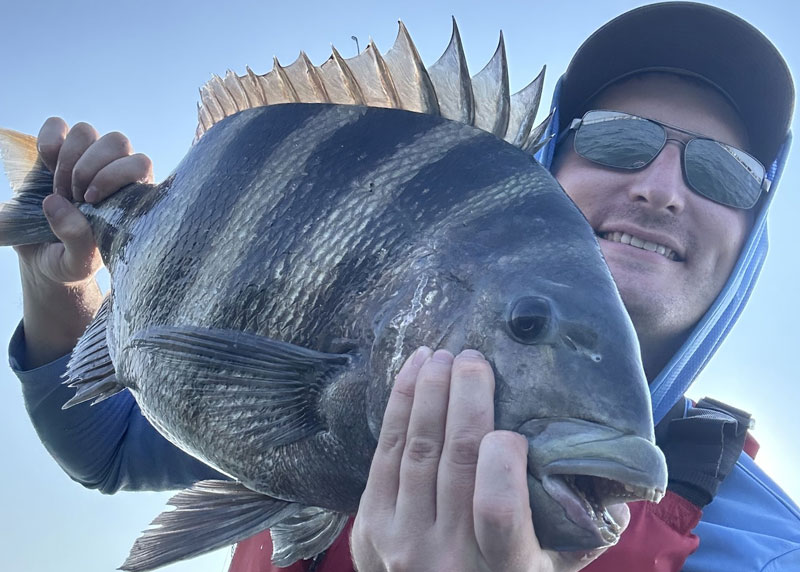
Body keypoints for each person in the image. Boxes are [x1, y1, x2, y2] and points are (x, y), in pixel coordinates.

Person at [7, 2, 800, 571]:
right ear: (551, 160)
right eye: (618, 140)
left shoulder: (769, 552)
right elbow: (105, 449)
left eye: (722, 171)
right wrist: (58, 284)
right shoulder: (343, 375)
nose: (662, 187)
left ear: (752, 230)